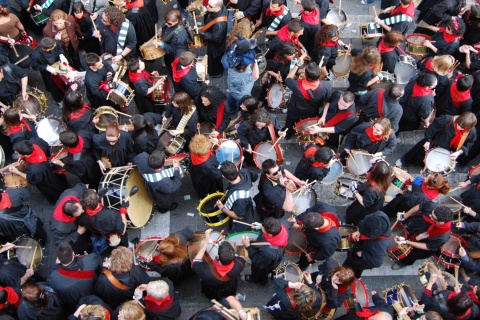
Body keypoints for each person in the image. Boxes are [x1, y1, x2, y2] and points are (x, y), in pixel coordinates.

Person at [397, 111, 477, 168]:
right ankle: (404, 161)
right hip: (433, 143)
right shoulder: (446, 119)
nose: (459, 127)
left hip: (448, 150)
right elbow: (432, 129)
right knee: (417, 154)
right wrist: (428, 140)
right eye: (459, 124)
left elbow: (469, 143)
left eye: (463, 127)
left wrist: (459, 152)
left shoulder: (471, 132)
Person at [391, 203, 453, 269]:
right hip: (415, 225)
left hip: (422, 243)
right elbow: (420, 206)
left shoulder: (442, 237)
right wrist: (406, 215)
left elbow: (427, 246)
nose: (429, 215)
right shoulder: (432, 206)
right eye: (431, 213)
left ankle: (403, 262)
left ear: (441, 223)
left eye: (432, 217)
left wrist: (407, 242)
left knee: (413, 254)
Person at [46, 242, 102, 310]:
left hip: (77, 304)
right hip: (95, 292)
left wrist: (56, 265)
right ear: (73, 253)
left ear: (58, 259)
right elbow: (99, 261)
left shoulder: (53, 278)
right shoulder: (90, 259)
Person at [192, 229, 246, 300]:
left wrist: (206, 243)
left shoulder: (204, 271)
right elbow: (238, 256)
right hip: (230, 286)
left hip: (212, 288)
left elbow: (195, 261)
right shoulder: (240, 263)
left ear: (217, 256)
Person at [283, 61, 332, 139]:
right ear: (319, 73)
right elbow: (327, 101)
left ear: (305, 75)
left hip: (295, 110)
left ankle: (287, 135)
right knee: (308, 123)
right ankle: (305, 134)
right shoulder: (327, 85)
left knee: (290, 122)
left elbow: (288, 78)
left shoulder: (296, 85)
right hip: (312, 110)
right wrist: (323, 116)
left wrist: (297, 65)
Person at [11, 140, 69, 204]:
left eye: (18, 153)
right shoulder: (36, 142)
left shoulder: (35, 169)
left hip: (48, 180)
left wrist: (17, 172)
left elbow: (32, 178)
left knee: (54, 191)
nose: (16, 152)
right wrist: (22, 158)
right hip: (51, 168)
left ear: (27, 155)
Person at [289, 201, 340, 269]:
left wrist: (313, 256)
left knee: (304, 261)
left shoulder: (329, 240)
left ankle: (301, 267)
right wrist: (297, 219)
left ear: (316, 228)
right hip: (311, 236)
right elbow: (310, 211)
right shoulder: (322, 206)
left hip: (314, 247)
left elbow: (326, 253)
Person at [342, 212, 391, 278]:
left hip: (366, 255)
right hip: (365, 243)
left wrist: (363, 254)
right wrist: (359, 231)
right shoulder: (380, 215)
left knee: (351, 266)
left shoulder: (379, 245)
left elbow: (377, 262)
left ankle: (354, 276)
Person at [241, 217, 286, 284]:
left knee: (261, 271)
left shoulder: (267, 252)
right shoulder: (282, 226)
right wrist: (260, 226)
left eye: (263, 230)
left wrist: (248, 246)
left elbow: (258, 262)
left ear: (270, 234)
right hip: (276, 254)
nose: (262, 230)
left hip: (266, 260)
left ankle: (258, 280)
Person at [383, 173, 451, 218]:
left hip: (404, 204)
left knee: (391, 209)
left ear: (429, 185)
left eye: (427, 178)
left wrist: (409, 189)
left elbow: (409, 202)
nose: (425, 178)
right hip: (413, 197)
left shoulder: (422, 195)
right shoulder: (436, 187)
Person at [216, 161, 258, 232]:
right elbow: (255, 176)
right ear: (236, 168)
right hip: (247, 203)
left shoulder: (239, 198)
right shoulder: (244, 172)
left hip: (242, 215)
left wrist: (223, 209)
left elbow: (238, 216)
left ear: (223, 176)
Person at [346, 161, 391, 226]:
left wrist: (355, 191)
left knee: (353, 215)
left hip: (367, 208)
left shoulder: (371, 190)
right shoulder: (386, 179)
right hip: (378, 200)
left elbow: (365, 203)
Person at [50, 183, 92, 253]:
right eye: (79, 213)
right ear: (70, 216)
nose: (83, 210)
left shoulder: (71, 193)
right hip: (75, 233)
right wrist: (78, 233)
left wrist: (86, 188)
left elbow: (81, 187)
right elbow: (61, 243)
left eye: (81, 208)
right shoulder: (59, 228)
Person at [30, 37, 67, 105]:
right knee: (54, 87)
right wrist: (46, 67)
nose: (55, 45)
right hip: (48, 72)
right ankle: (59, 100)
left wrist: (61, 55)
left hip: (58, 65)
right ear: (47, 49)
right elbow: (35, 66)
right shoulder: (36, 56)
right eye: (53, 46)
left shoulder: (54, 44)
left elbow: (59, 48)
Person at [188, 132, 223, 199]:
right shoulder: (207, 165)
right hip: (205, 181)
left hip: (196, 175)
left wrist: (210, 141)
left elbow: (200, 145)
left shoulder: (194, 149)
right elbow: (217, 175)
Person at [156, 9, 190, 76]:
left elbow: (174, 50)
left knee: (172, 67)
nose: (166, 24)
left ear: (177, 21)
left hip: (174, 55)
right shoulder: (169, 24)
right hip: (168, 49)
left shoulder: (180, 36)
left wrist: (162, 45)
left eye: (169, 23)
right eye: (166, 21)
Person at [198, 0, 227, 77]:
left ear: (218, 7)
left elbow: (216, 38)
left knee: (214, 60)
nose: (207, 6)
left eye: (210, 6)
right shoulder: (218, 10)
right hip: (214, 37)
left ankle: (216, 73)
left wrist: (203, 34)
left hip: (215, 47)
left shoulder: (219, 24)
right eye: (208, 4)